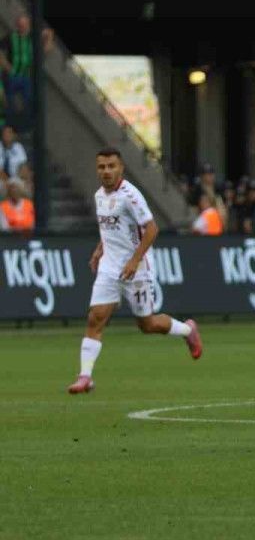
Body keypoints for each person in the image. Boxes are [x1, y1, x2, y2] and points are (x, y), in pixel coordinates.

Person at [67, 148, 202, 394]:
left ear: (121, 168)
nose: (106, 171)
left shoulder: (131, 196)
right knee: (95, 318)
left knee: (147, 324)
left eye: (111, 166)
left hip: (137, 269)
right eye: (102, 167)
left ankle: (187, 330)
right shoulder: (99, 196)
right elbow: (111, 229)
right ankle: (85, 376)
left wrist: (134, 260)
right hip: (109, 268)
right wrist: (99, 250)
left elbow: (151, 230)